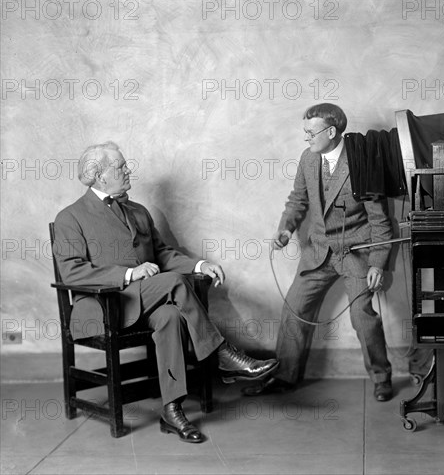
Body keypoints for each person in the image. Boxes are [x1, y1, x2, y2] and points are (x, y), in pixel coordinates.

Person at [53, 141, 278, 443]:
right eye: (120, 166)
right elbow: (72, 271)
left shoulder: (138, 212)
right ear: (99, 176)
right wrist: (130, 273)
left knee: (171, 315)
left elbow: (162, 254)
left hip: (148, 301)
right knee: (173, 283)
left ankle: (172, 410)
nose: (127, 169)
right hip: (105, 307)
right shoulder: (72, 217)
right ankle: (223, 355)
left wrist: (199, 265)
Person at [242, 103, 394, 401]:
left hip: (355, 251)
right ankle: (285, 377)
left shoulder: (362, 162)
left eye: (310, 132)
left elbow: (380, 220)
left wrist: (377, 263)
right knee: (294, 309)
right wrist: (285, 229)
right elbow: (298, 199)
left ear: (332, 131)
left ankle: (381, 377)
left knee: (362, 317)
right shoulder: (308, 159)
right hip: (318, 251)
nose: (306, 138)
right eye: (305, 132)